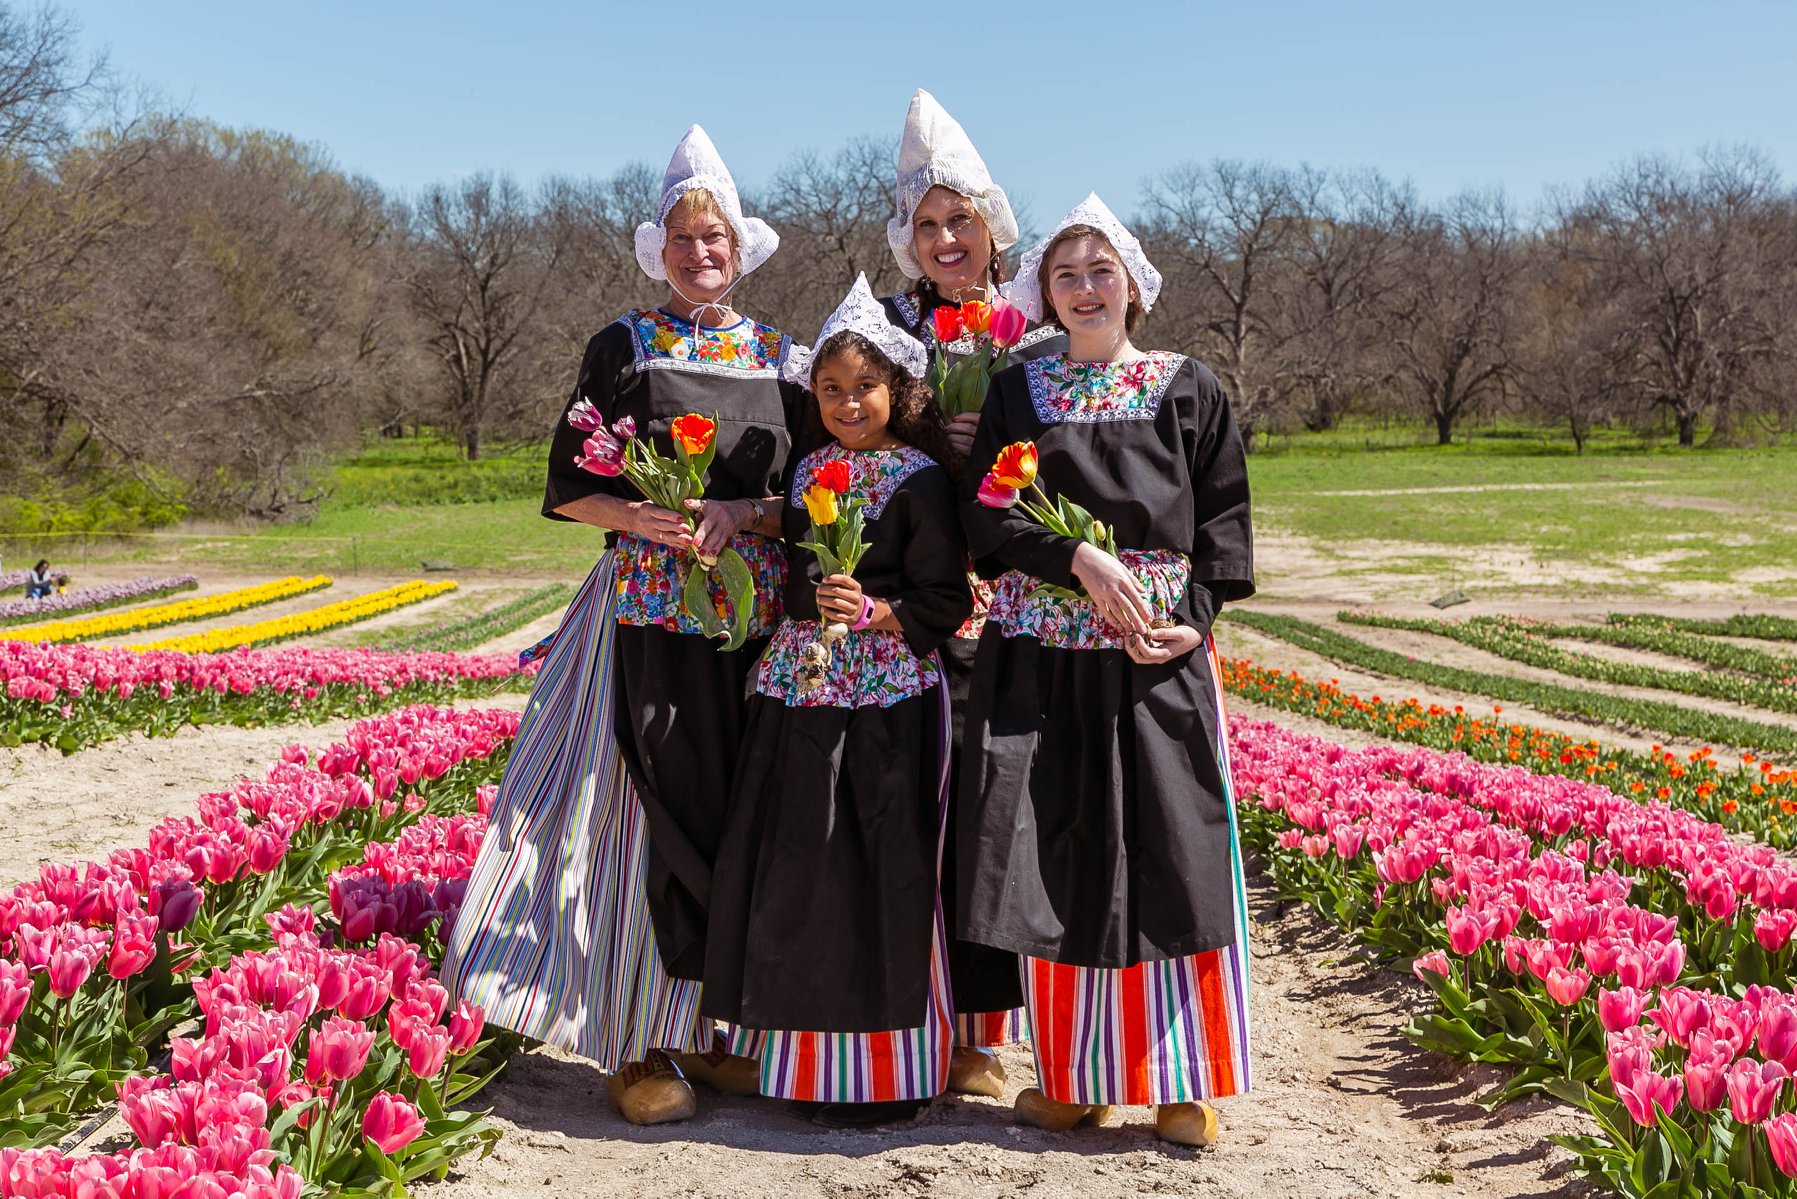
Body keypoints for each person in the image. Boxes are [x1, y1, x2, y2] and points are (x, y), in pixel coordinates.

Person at [443, 125, 800, 1127]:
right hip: (642, 613)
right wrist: (640, 516)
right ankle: (629, 1039)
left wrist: (744, 513)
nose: (699, 253)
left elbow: (805, 495)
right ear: (659, 249)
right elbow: (568, 487)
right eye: (682, 239)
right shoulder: (624, 344)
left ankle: (713, 1027)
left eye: (714, 237)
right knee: (628, 814)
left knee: (735, 813)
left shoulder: (782, 355)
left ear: (741, 246)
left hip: (751, 621)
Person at [956, 195, 1256, 1146]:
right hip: (1041, 659)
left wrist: (1190, 624)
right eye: (1065, 275)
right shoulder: (1017, 390)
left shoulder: (1187, 386)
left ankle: (1185, 1082)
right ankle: (1076, 1076)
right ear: (1042, 293)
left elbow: (1222, 524)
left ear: (1131, 284)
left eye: (1099, 271)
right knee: (1058, 856)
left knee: (1172, 854)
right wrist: (1076, 557)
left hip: (1151, 659)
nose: (1084, 289)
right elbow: (989, 516)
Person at [703, 275, 972, 1127]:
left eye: (864, 387)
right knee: (800, 859)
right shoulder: (810, 469)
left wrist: (876, 611)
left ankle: (889, 1069)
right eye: (829, 389)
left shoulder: (923, 480)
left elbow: (946, 599)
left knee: (881, 862)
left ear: (899, 390)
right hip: (805, 684)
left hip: (889, 692)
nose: (848, 403)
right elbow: (793, 558)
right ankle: (806, 1064)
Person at [875, 87, 1068, 1099]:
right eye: (927, 224)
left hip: (1013, 603)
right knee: (916, 807)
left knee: (997, 812)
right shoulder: (886, 333)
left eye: (961, 218)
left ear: (993, 223)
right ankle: (911, 1015)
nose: (946, 239)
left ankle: (983, 1031)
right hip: (912, 605)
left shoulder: (1038, 326)